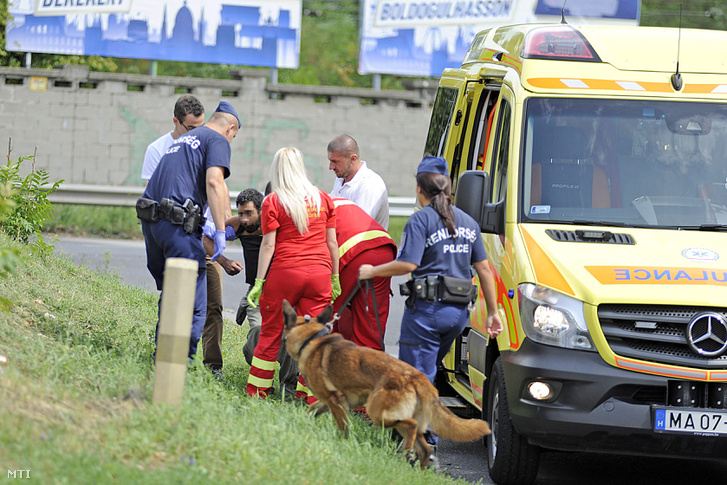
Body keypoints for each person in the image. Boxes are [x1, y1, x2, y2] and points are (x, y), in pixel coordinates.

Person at [358, 156, 503, 454]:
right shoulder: (467, 222)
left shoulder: (421, 219)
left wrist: (372, 271)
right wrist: (494, 311)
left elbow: (408, 263)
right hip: (457, 315)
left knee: (418, 377)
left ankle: (423, 445)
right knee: (426, 371)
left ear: (420, 188)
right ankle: (408, 431)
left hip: (427, 313)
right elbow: (485, 269)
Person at [137, 101, 241, 361]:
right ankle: (179, 364)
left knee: (172, 293)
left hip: (153, 226)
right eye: (234, 136)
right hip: (177, 229)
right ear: (229, 128)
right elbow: (215, 182)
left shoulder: (183, 139)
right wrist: (219, 231)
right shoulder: (217, 139)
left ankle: (161, 357)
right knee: (194, 303)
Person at [246, 147, 340, 400]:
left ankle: (258, 393)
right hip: (320, 273)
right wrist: (335, 277)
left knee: (270, 334)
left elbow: (268, 245)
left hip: (285, 274)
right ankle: (308, 396)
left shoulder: (273, 201)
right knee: (314, 338)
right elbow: (332, 243)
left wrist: (259, 281)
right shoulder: (323, 198)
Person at [330, 197, 396, 351]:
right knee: (370, 324)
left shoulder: (302, 212)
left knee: (325, 314)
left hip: (354, 253)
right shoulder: (334, 200)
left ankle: (314, 372)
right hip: (384, 248)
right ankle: (369, 370)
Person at [328, 134, 389, 229]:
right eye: (330, 161)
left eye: (335, 162)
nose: (330, 167)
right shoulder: (341, 178)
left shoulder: (370, 185)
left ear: (353, 158)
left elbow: (358, 227)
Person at [141, 95, 206, 184]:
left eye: (201, 127)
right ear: (176, 121)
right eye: (191, 128)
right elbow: (152, 190)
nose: (197, 133)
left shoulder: (206, 146)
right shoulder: (156, 149)